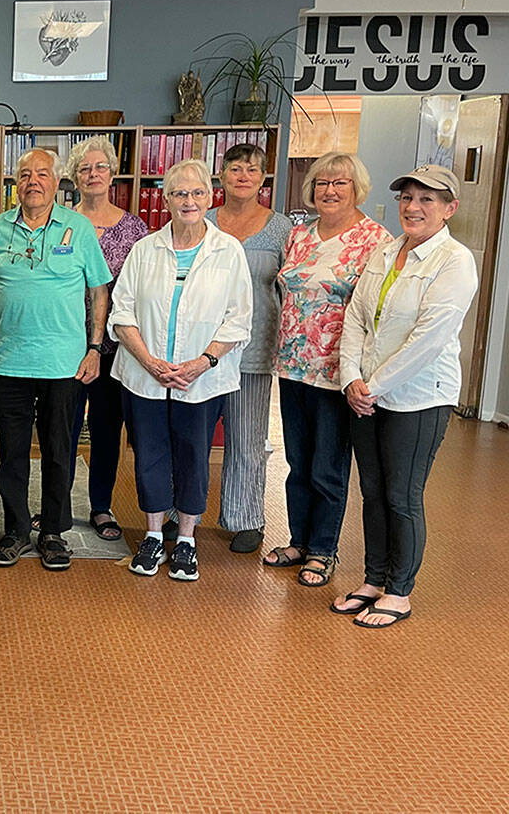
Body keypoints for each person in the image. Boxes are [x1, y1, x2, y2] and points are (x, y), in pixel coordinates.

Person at [335, 165, 477, 628]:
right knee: (372, 491)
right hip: (365, 393)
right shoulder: (385, 251)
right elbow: (356, 315)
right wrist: (350, 378)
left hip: (418, 397)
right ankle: (373, 579)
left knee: (402, 494)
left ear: (449, 208)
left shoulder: (454, 261)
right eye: (407, 198)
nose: (413, 208)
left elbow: (429, 339)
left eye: (427, 200)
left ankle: (399, 590)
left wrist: (371, 386)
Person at [109, 158, 252, 582]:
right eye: (179, 193)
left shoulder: (229, 252)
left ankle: (186, 539)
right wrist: (150, 361)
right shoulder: (144, 248)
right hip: (143, 375)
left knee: (194, 456)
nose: (188, 201)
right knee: (149, 455)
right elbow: (122, 312)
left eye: (196, 193)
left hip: (203, 379)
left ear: (210, 197)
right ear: (166, 199)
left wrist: (201, 362)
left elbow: (239, 319)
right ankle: (154, 534)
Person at [0, 148, 111, 570]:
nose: (34, 181)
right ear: (16, 183)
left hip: (64, 364)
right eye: (25, 174)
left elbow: (98, 290)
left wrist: (94, 346)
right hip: (7, 361)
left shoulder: (78, 228)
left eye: (42, 174)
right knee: (11, 454)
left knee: (57, 450)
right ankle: (15, 530)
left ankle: (52, 531)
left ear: (57, 182)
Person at [266, 153, 392, 587]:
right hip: (293, 365)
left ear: (357, 187)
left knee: (328, 466)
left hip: (339, 372)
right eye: (322, 183)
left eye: (340, 182)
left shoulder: (375, 241)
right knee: (296, 460)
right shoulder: (299, 235)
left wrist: (361, 372)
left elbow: (378, 312)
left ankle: (323, 549)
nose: (330, 190)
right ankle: (298, 539)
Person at [203, 143, 293, 554]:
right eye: (235, 168)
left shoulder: (281, 229)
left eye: (252, 170)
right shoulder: (201, 221)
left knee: (247, 438)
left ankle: (246, 519)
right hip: (199, 350)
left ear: (262, 179)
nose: (243, 176)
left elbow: (289, 288)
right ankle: (173, 513)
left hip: (253, 349)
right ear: (221, 176)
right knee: (191, 436)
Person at [64, 136, 148, 542]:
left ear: (112, 174)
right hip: (62, 344)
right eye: (85, 168)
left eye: (100, 167)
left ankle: (100, 506)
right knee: (59, 429)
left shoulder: (134, 229)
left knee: (105, 429)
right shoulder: (61, 222)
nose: (93, 174)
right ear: (74, 177)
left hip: (114, 350)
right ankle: (56, 506)